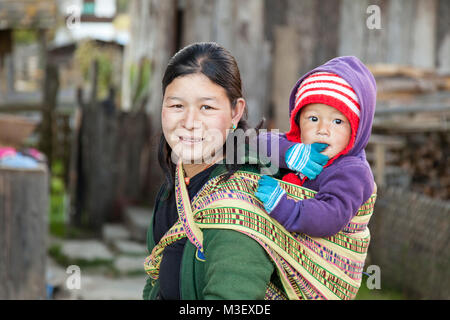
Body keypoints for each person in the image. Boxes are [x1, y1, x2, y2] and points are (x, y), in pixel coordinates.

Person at [142, 42, 276, 300]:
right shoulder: (174, 187)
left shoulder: (242, 199)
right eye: (177, 106)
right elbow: (155, 279)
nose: (190, 123)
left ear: (235, 112)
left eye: (207, 107)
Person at [255, 56, 377, 237]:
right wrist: (288, 153)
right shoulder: (300, 147)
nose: (322, 130)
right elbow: (255, 142)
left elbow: (330, 216)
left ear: (357, 130)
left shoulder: (352, 171)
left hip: (316, 258)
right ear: (298, 121)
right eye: (313, 119)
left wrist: (285, 208)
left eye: (337, 121)